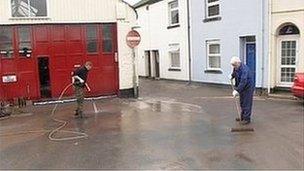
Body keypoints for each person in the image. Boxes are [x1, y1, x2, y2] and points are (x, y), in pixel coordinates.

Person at [229, 56, 255, 125]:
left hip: (248, 87)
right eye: (232, 65)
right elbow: (235, 73)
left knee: (247, 102)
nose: (233, 67)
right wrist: (232, 76)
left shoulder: (244, 70)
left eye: (234, 65)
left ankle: (247, 119)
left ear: (238, 63)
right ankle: (242, 117)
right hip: (242, 87)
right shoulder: (236, 67)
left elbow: (243, 81)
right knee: (242, 102)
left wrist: (237, 90)